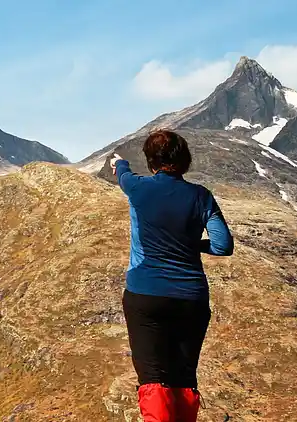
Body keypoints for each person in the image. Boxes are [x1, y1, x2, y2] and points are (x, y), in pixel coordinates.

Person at [109, 129, 234, 422]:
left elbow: (123, 175)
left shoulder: (138, 187)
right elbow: (222, 245)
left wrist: (120, 163)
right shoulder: (201, 196)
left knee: (154, 377)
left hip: (146, 294)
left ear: (152, 162)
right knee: (184, 376)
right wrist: (190, 243)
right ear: (185, 160)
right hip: (191, 298)